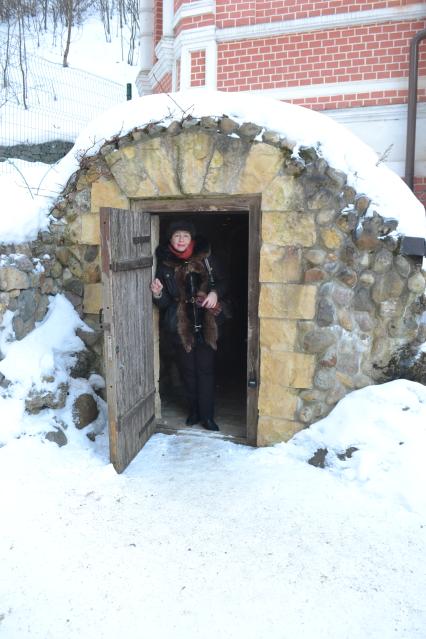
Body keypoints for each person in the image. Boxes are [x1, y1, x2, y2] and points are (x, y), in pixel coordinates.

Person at [150, 220, 228, 432]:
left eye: (185, 235)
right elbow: (165, 303)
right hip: (180, 326)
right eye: (177, 236)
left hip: (206, 323)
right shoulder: (165, 264)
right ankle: (194, 411)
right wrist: (157, 293)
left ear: (191, 239)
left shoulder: (206, 257)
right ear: (171, 240)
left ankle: (207, 416)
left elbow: (223, 282)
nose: (181, 239)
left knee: (205, 371)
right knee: (188, 372)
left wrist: (214, 293)